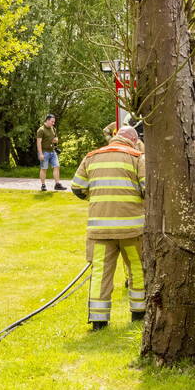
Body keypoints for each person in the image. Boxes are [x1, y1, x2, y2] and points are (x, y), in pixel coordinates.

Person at [71, 126, 146, 329]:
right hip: (131, 230)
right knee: (137, 269)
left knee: (100, 274)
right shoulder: (137, 158)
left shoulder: (91, 157)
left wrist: (96, 197)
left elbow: (77, 188)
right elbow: (148, 189)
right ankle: (139, 314)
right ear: (133, 140)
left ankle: (99, 321)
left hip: (100, 230)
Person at [36, 114, 64, 191]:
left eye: (54, 122)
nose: (53, 123)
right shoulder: (41, 130)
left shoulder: (53, 129)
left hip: (52, 151)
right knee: (44, 169)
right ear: (47, 120)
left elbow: (56, 138)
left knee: (56, 166)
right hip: (44, 152)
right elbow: (38, 143)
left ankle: (57, 185)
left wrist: (56, 140)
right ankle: (43, 185)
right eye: (52, 121)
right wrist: (40, 154)